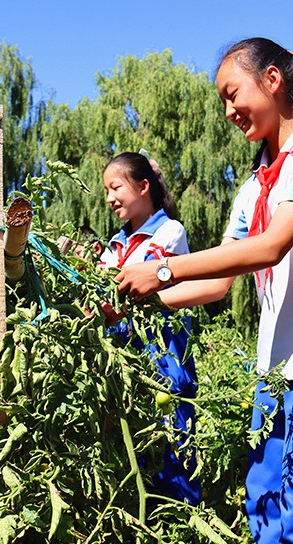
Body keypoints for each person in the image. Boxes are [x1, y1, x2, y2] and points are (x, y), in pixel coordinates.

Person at [114, 37, 293, 544]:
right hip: (273, 376)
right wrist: (139, 300)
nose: (230, 112)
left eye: (234, 95)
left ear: (272, 80)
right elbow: (217, 282)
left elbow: (270, 246)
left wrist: (160, 270)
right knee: (265, 511)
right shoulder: (255, 185)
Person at [98, 151, 201, 506]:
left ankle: (188, 538)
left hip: (164, 355)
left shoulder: (169, 231)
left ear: (143, 187)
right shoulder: (115, 245)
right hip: (127, 360)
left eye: (116, 188)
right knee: (136, 449)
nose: (110, 198)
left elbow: (147, 283)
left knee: (174, 444)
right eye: (106, 191)